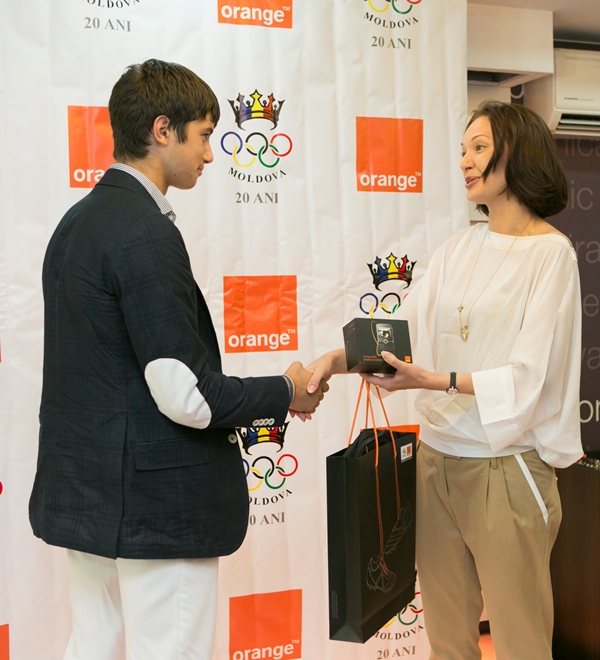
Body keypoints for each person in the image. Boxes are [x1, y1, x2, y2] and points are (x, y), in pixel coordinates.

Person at [29, 59, 327, 660]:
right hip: (157, 507)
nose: (211, 155)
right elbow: (186, 395)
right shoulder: (144, 231)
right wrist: (285, 389)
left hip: (88, 495)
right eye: (204, 136)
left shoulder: (74, 223)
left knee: (93, 645)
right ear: (162, 130)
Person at [307, 101, 582, 660]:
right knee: (448, 640)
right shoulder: (459, 247)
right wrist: (336, 360)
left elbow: (530, 375)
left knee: (522, 641)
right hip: (434, 462)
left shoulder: (552, 255)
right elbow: (401, 328)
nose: (464, 161)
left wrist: (435, 381)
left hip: (505, 467)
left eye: (479, 148)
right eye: (462, 150)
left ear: (517, 154)